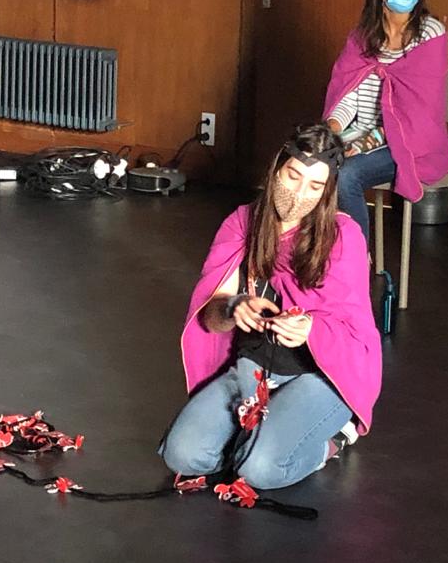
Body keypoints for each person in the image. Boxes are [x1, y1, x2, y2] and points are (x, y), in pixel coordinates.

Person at [160, 124, 381, 491]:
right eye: (293, 176)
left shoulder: (344, 237)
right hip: (254, 368)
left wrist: (311, 329)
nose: (299, 194)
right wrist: (233, 307)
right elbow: (211, 316)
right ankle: (258, 434)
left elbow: (355, 329)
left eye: (315, 186)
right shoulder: (242, 223)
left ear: (327, 191)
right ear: (277, 168)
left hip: (320, 375)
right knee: (182, 456)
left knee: (259, 470)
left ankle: (333, 439)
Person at [324, 0, 448, 242]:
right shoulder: (362, 37)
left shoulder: (430, 35)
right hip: (362, 135)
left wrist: (367, 142)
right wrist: (332, 130)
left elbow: (421, 114)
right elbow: (349, 96)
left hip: (412, 142)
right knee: (308, 162)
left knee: (347, 174)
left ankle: (358, 259)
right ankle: (318, 256)